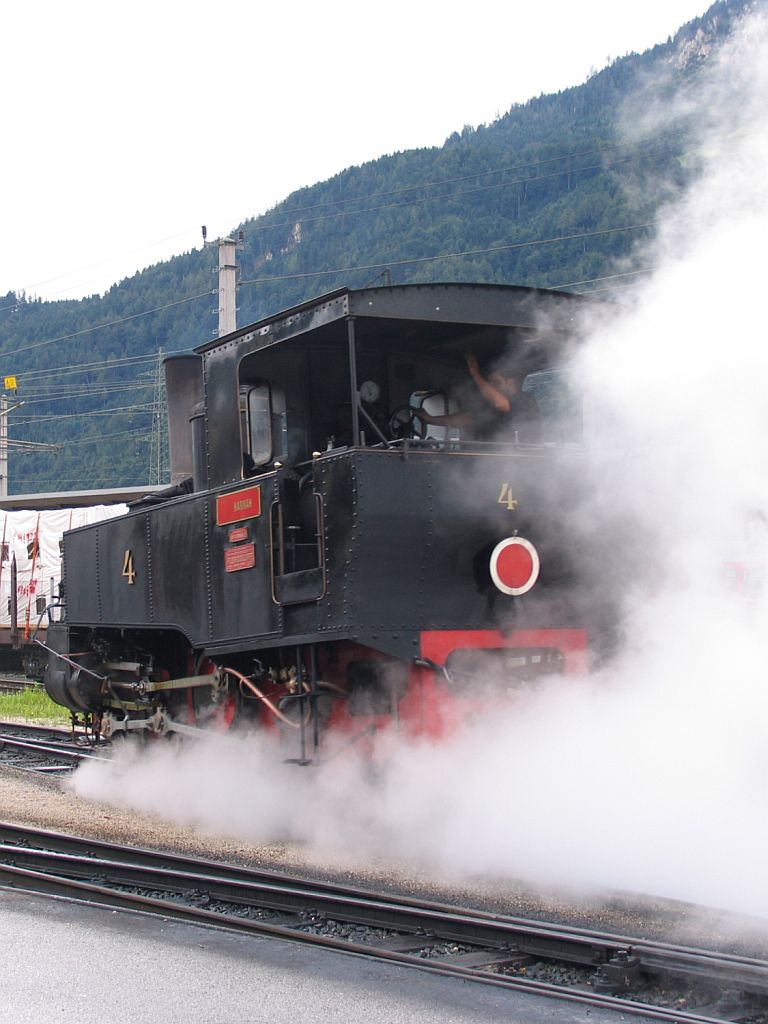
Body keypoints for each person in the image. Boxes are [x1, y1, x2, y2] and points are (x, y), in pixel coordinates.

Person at [413, 352, 543, 444]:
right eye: (490, 383)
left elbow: (500, 403)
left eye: (496, 383)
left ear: (510, 383)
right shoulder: (490, 408)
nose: (491, 387)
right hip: (491, 462)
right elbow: (462, 419)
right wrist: (430, 419)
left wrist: (476, 375)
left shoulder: (524, 400)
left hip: (520, 463)